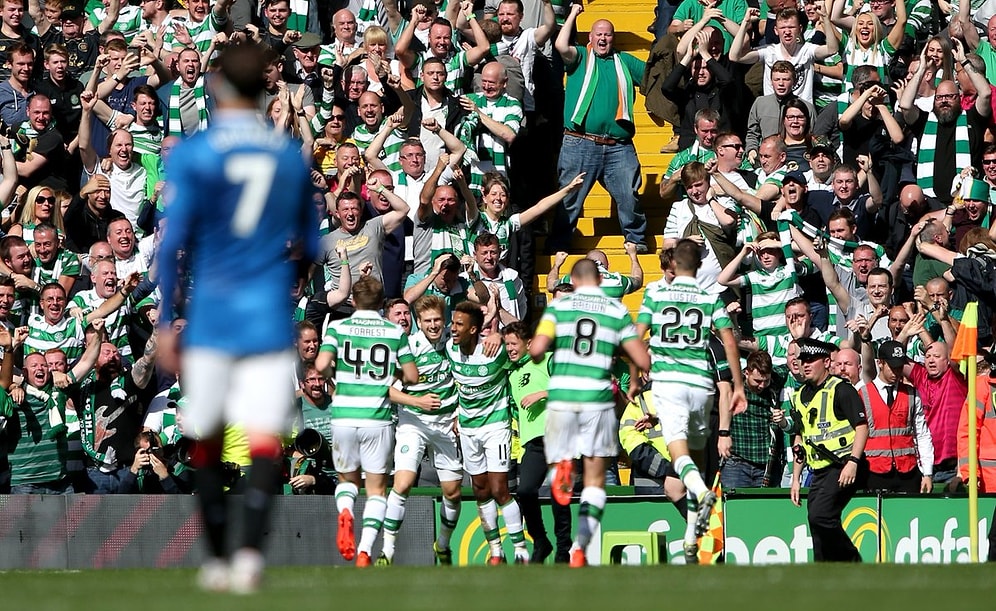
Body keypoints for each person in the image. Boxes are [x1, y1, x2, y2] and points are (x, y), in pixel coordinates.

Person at [154, 44, 318, 594]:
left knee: (207, 433)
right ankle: (249, 555)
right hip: (268, 315)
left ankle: (218, 555)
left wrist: (164, 321)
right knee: (265, 439)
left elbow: (171, 243)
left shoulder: (196, 154)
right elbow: (311, 245)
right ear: (265, 90)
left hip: (212, 316)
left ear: (218, 85)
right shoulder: (288, 156)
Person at [531, 258, 650, 567]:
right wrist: (633, 378)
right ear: (599, 279)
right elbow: (640, 356)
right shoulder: (615, 310)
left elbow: (535, 349)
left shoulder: (559, 307)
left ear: (573, 278)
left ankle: (562, 467)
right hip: (597, 399)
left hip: (562, 398)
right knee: (596, 482)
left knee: (560, 466)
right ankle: (580, 548)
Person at [636, 239, 745, 563]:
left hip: (670, 384)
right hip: (701, 389)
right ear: (697, 267)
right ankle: (690, 538)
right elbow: (729, 341)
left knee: (681, 458)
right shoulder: (709, 295)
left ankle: (701, 493)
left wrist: (635, 370)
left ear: (674, 267)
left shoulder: (656, 293)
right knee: (686, 471)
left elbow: (635, 334)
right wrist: (739, 385)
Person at [315, 275, 417, 567]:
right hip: (378, 418)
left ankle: (345, 512)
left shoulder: (337, 327)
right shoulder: (393, 331)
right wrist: (391, 375)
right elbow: (411, 376)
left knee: (347, 480)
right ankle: (364, 551)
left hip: (344, 415)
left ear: (354, 301)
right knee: (376, 489)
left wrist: (337, 372)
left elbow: (321, 366)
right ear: (382, 302)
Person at [547, 5, 648, 253]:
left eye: (608, 34)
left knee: (629, 196)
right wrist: (572, 14)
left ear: (613, 38)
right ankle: (559, 244)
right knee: (569, 199)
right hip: (579, 143)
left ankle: (635, 239)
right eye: (599, 34)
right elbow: (560, 45)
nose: (603, 38)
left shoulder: (624, 60)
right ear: (590, 37)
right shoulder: (580, 56)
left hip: (618, 146)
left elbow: (654, 76)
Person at [379, 295, 463, 566]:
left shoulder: (455, 344)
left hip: (446, 425)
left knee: (452, 493)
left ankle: (443, 544)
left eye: (437, 319)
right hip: (414, 424)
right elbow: (386, 389)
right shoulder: (409, 349)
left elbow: (468, 377)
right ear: (418, 322)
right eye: (427, 321)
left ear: (445, 319)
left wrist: (461, 413)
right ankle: (387, 552)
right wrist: (417, 401)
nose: (433, 325)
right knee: (402, 484)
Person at [789, 338, 869, 562]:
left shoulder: (841, 390)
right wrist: (796, 478)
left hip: (843, 465)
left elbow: (862, 427)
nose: (805, 365)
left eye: (811, 360)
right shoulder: (799, 396)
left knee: (820, 516)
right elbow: (800, 438)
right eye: (803, 360)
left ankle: (852, 560)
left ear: (826, 362)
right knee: (816, 524)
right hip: (819, 470)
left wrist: (853, 462)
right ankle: (825, 570)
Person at [502, 320, 572, 564]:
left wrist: (543, 393)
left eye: (514, 343)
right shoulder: (512, 374)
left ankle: (564, 548)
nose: (509, 348)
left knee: (558, 494)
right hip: (533, 443)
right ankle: (541, 541)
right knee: (525, 491)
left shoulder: (548, 360)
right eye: (507, 344)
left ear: (529, 343)